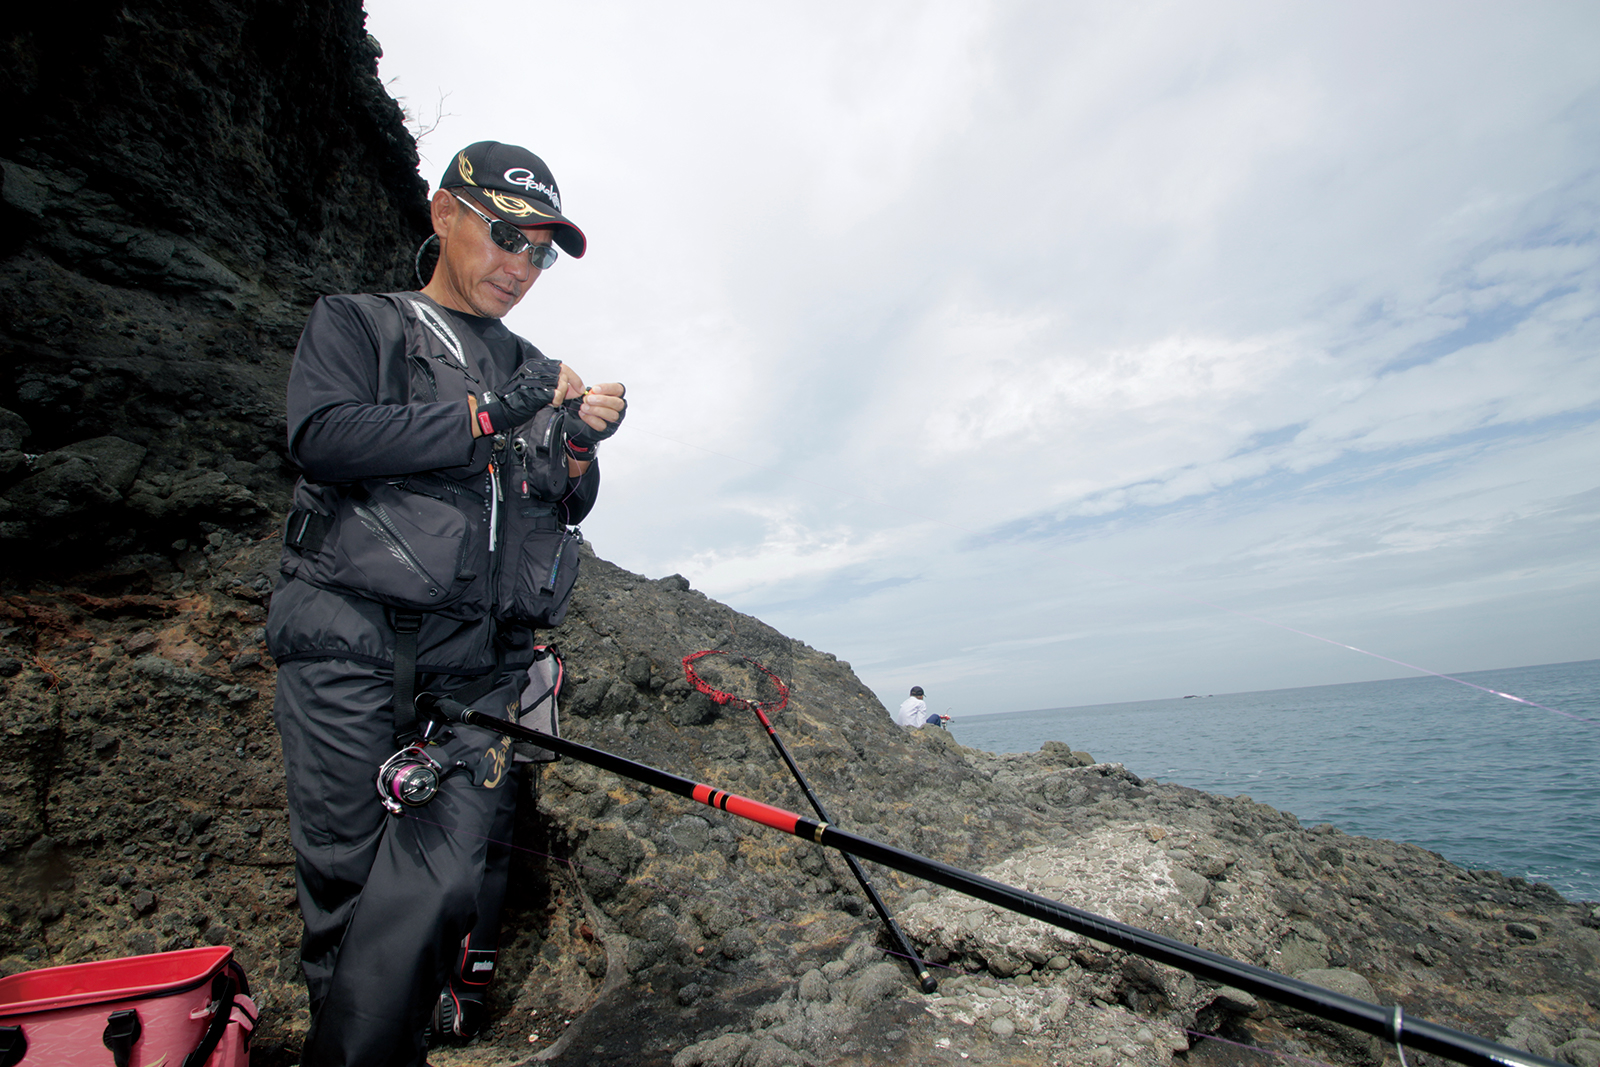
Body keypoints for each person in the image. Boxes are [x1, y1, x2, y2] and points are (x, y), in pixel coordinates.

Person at [266, 141, 625, 1067]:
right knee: (349, 895)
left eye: (541, 252)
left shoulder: (538, 366)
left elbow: (559, 496)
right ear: (444, 214)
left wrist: (579, 444)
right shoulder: (358, 323)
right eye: (509, 236)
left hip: (479, 667)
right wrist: (492, 411)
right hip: (348, 648)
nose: (522, 267)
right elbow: (325, 435)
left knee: (440, 882)